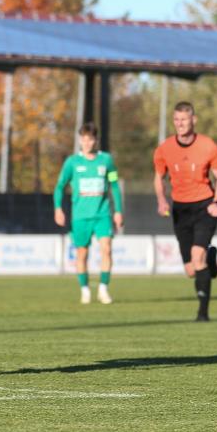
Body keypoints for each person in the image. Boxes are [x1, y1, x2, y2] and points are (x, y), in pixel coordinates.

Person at [154, 102, 217, 322]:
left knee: (197, 257)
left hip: (204, 205)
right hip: (180, 209)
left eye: (184, 119)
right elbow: (159, 177)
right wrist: (161, 199)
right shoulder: (164, 148)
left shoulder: (208, 146)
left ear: (193, 120)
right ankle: (210, 259)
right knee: (191, 270)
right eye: (176, 119)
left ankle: (202, 313)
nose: (180, 123)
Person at [54, 123, 124, 305]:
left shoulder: (106, 161)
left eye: (90, 139)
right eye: (84, 139)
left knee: (107, 249)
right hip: (80, 216)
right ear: (80, 140)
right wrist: (57, 208)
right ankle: (85, 290)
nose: (87, 143)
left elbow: (115, 185)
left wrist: (118, 211)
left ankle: (103, 289)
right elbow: (60, 186)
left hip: (102, 214)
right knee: (82, 254)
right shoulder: (72, 163)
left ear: (96, 140)